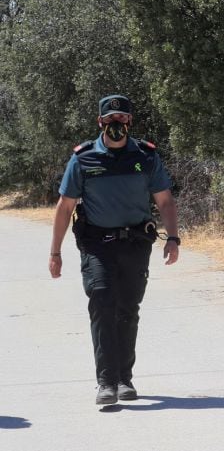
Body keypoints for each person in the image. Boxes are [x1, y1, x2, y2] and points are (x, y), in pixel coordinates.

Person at [48, 94, 180, 405]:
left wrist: (173, 238)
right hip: (97, 245)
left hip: (136, 243)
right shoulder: (83, 159)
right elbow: (65, 207)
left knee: (128, 310)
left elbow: (165, 201)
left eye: (121, 119)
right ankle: (106, 382)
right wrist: (55, 252)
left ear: (130, 121)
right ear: (100, 122)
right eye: (110, 119)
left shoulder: (147, 157)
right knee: (102, 302)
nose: (116, 124)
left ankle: (124, 378)